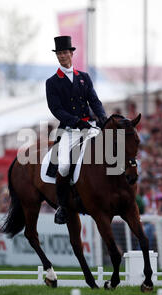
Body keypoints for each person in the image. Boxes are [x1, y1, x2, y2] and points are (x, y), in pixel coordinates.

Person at [46, 35, 107, 224]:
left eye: (65, 52)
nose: (62, 56)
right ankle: (63, 207)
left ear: (72, 53)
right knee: (63, 166)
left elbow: (94, 100)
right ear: (57, 56)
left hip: (90, 126)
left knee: (112, 151)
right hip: (70, 130)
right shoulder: (52, 82)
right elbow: (56, 109)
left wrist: (103, 117)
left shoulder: (84, 77)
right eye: (59, 53)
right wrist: (75, 121)